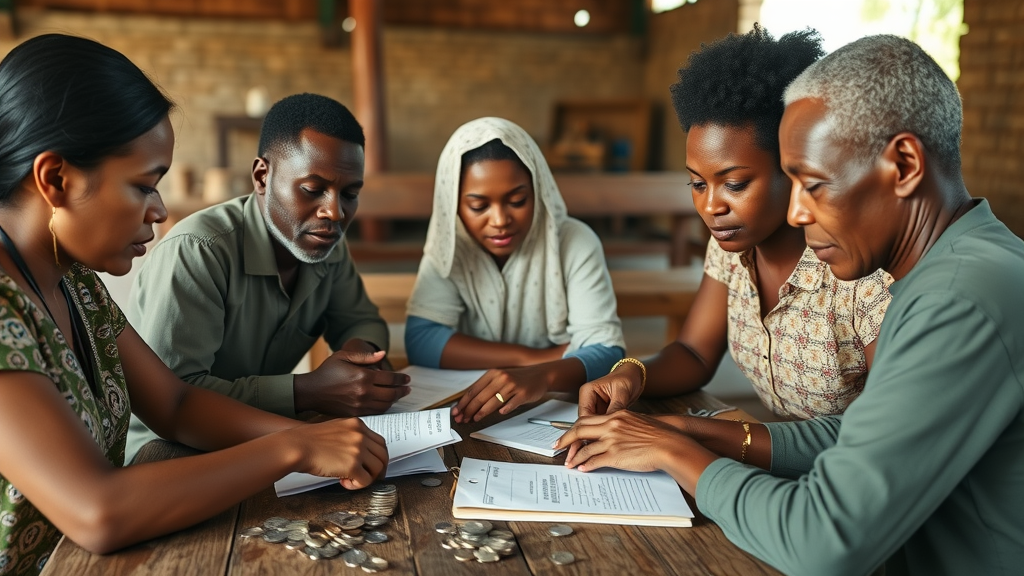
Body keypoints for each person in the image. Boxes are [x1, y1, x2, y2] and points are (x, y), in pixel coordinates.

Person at [557, 34, 1024, 576]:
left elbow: (823, 541)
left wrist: (673, 455)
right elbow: (856, 432)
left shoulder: (954, 300)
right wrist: (686, 431)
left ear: (903, 164)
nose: (797, 215)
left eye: (814, 185)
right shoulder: (955, 267)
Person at [0, 35, 388, 576]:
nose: (159, 211)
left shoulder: (77, 285)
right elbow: (98, 511)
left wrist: (306, 436)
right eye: (143, 186)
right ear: (56, 179)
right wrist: (293, 450)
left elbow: (176, 403)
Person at [579, 25, 891, 420]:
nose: (711, 206)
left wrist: (717, 438)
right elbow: (694, 351)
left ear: (794, 166)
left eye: (735, 184)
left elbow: (882, 432)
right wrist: (630, 374)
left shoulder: (863, 273)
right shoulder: (731, 247)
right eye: (697, 183)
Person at [125, 93, 410, 461]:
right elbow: (178, 397)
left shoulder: (327, 246)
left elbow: (362, 319)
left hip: (271, 436)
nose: (335, 212)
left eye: (350, 194)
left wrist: (360, 366)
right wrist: (307, 391)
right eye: (313, 189)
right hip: (168, 452)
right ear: (262, 176)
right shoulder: (198, 250)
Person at [404, 117, 625, 423]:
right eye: (479, 206)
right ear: (452, 205)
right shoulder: (449, 246)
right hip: (473, 408)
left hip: (554, 402)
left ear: (539, 191)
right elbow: (422, 341)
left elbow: (608, 352)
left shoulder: (574, 242)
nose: (499, 220)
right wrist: (528, 360)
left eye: (517, 200)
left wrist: (543, 376)